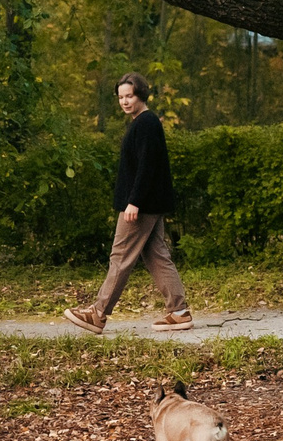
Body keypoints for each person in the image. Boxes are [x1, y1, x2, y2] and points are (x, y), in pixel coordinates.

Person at [64, 72, 192, 334]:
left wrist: (134, 201)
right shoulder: (143, 122)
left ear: (141, 94)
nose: (124, 101)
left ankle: (98, 314)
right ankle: (179, 312)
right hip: (148, 203)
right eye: (121, 97)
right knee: (157, 256)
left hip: (141, 205)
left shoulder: (145, 123)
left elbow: (147, 166)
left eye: (129, 96)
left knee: (120, 256)